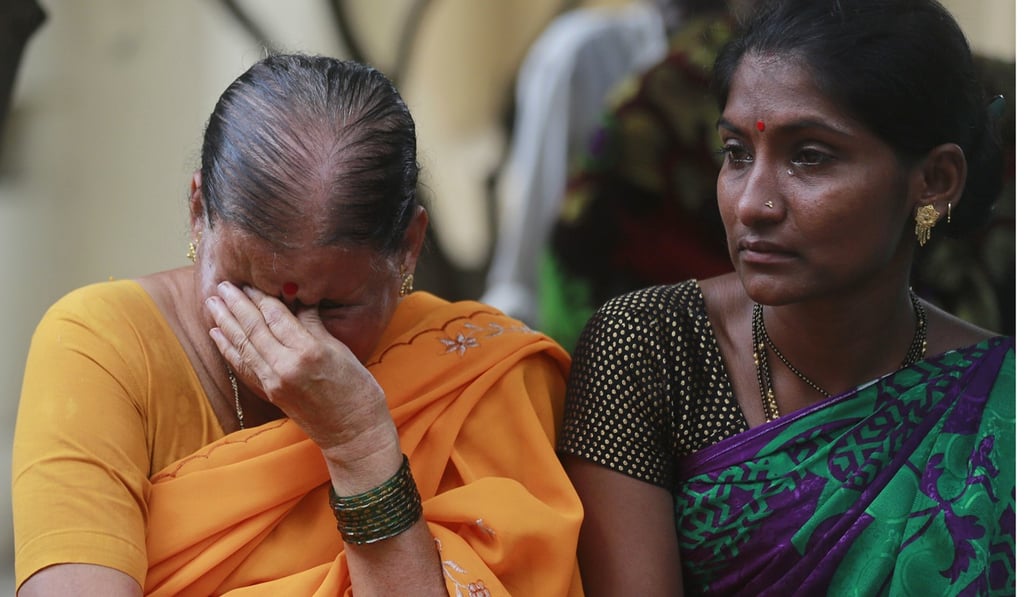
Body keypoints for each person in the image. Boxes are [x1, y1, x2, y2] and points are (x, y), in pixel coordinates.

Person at [13, 54, 584, 596]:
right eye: (247, 290)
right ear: (196, 212)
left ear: (408, 248)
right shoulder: (103, 345)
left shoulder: (478, 376)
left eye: (333, 307)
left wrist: (359, 443)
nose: (291, 345)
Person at [557, 0, 1015, 595]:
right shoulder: (652, 348)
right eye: (736, 153)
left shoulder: (1000, 400)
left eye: (809, 157)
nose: (752, 204)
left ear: (934, 180)